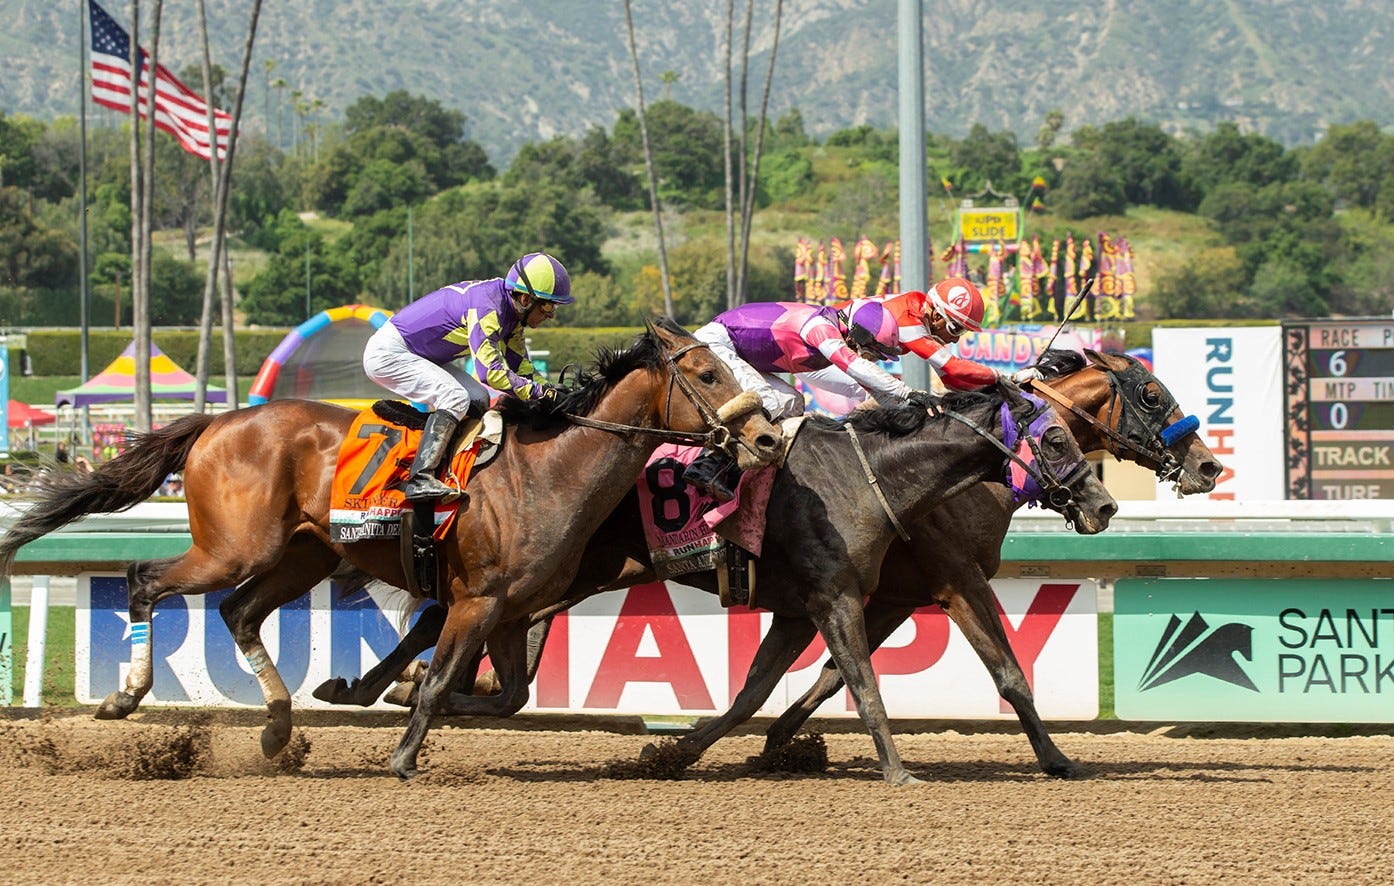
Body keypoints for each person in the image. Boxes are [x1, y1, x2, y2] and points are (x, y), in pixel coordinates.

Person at [363, 252, 572, 501]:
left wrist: (555, 391)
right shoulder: (489, 308)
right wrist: (539, 392)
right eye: (548, 305)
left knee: (477, 398)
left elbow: (522, 368)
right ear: (526, 299)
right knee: (455, 398)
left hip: (421, 356)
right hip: (390, 353)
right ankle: (419, 478)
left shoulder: (512, 314)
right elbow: (491, 373)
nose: (551, 314)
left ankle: (448, 466)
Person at [683, 298, 927, 501]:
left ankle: (740, 468)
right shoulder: (820, 327)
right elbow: (855, 367)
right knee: (769, 401)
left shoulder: (834, 333)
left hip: (738, 351)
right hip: (715, 344)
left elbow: (869, 388)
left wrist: (920, 414)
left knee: (792, 402)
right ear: (857, 334)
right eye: (872, 351)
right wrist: (905, 392)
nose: (873, 359)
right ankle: (707, 464)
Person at [875, 277, 1042, 390]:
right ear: (936, 315)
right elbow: (953, 367)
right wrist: (1011, 377)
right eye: (956, 329)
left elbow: (953, 382)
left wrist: (1001, 389)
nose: (954, 340)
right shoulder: (908, 319)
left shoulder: (921, 310)